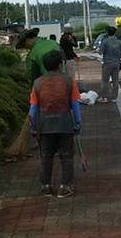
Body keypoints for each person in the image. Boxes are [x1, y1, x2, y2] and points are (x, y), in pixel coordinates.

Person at [29, 50, 82, 198]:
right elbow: (75, 105)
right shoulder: (68, 81)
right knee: (66, 156)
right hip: (65, 124)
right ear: (60, 65)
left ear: (45, 66)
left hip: (44, 125)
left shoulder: (38, 83)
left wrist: (33, 127)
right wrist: (78, 123)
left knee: (46, 156)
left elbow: (33, 109)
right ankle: (65, 186)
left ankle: (45, 186)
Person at [98, 26, 121, 103]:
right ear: (115, 33)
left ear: (107, 33)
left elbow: (100, 52)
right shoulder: (119, 42)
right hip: (116, 63)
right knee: (115, 81)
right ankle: (114, 97)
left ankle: (104, 97)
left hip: (107, 63)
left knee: (105, 80)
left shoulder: (105, 41)